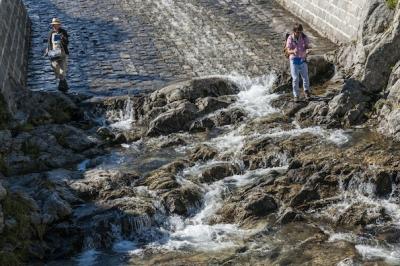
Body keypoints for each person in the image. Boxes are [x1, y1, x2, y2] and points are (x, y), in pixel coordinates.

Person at [285, 23, 311, 102]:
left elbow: (307, 46)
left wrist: (308, 49)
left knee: (305, 77)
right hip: (294, 60)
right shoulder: (290, 38)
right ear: (294, 31)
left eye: (300, 31)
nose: (299, 33)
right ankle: (296, 95)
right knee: (295, 78)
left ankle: (306, 92)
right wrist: (293, 51)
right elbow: (287, 50)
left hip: (302, 59)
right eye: (298, 32)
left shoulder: (304, 37)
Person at [46, 18, 69, 92]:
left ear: (59, 25)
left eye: (56, 25)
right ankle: (62, 81)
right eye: (54, 25)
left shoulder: (63, 32)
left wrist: (62, 38)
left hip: (62, 53)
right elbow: (49, 43)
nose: (55, 26)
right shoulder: (50, 33)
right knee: (54, 66)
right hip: (53, 53)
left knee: (62, 71)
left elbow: (66, 42)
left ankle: (63, 85)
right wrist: (47, 50)